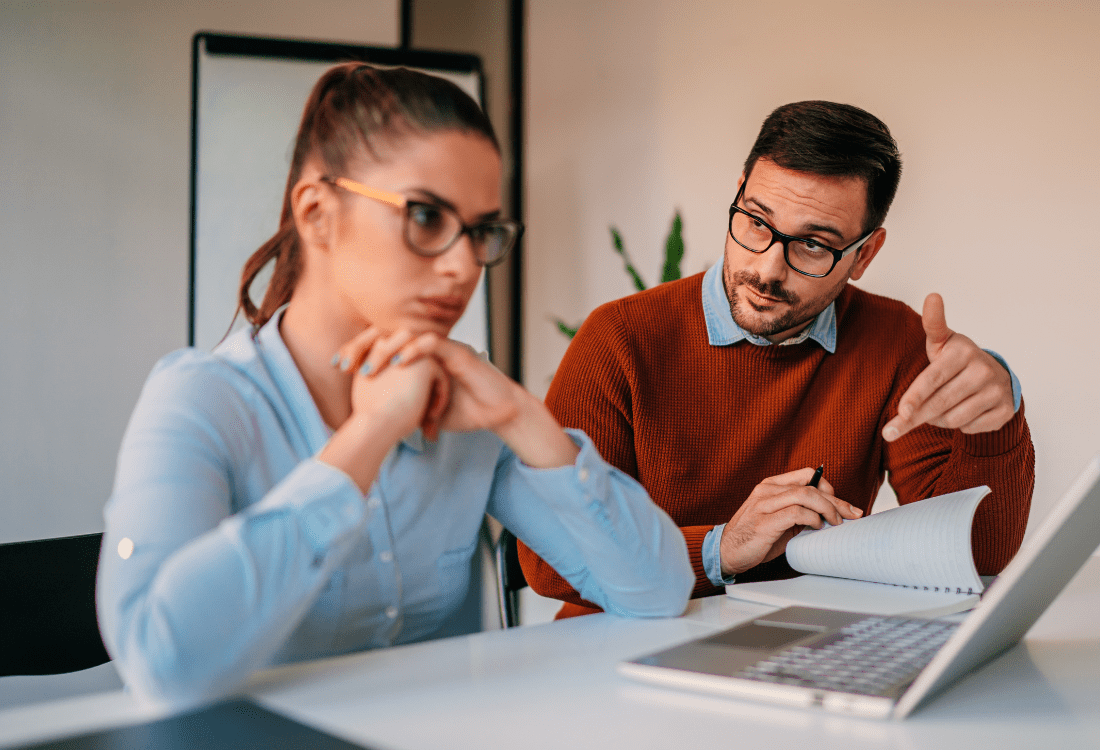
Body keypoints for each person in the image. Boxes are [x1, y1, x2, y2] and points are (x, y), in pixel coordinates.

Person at [96, 63, 693, 705]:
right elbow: (159, 660)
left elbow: (655, 592)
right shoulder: (203, 399)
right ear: (319, 213)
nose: (465, 266)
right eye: (426, 216)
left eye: (480, 232)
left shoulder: (463, 407)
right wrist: (371, 432)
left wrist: (522, 417)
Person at [520, 101, 1034, 618]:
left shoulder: (895, 340)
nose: (767, 269)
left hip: (804, 645)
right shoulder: (620, 339)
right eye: (756, 222)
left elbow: (976, 554)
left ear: (864, 255)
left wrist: (993, 421)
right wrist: (722, 548)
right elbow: (550, 557)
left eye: (813, 245)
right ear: (739, 191)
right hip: (620, 653)